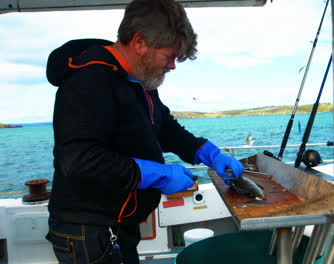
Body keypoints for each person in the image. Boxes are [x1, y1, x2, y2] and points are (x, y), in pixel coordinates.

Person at [44, 0, 244, 263]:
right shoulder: (89, 80)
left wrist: (206, 152)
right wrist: (157, 175)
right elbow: (79, 160)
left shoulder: (140, 79)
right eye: (169, 56)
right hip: (88, 229)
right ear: (139, 43)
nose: (173, 65)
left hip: (119, 223)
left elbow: (164, 126)